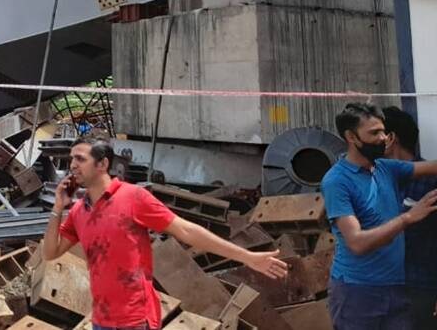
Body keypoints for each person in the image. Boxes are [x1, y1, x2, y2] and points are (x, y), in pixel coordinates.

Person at [43, 139, 288, 329]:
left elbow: (186, 230)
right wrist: (57, 208)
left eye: (80, 159)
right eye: (71, 159)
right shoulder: (78, 211)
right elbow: (51, 252)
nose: (72, 165)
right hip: (101, 320)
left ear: (103, 164)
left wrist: (247, 256)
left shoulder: (132, 198)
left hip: (136, 319)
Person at [322, 103, 437, 330]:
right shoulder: (337, 181)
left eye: (383, 131)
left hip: (395, 287)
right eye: (374, 133)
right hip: (358, 292)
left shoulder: (385, 168)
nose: (383, 138)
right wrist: (407, 218)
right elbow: (357, 242)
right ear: (351, 137)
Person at [382, 107, 437, 330]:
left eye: (374, 132)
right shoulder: (376, 180)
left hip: (422, 289)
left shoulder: (435, 181)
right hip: (386, 287)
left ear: (390, 138)